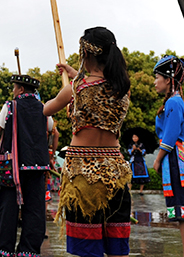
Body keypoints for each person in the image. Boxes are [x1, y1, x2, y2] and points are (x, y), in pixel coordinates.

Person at [43, 27, 132, 257]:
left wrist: (73, 82)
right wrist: (76, 74)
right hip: (116, 175)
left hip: (84, 177)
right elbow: (98, 89)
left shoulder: (75, 89)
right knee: (116, 250)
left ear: (86, 52)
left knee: (87, 251)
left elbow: (47, 109)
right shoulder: (123, 88)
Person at [0, 71, 52, 257]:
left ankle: (5, 249)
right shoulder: (44, 108)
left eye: (14, 87)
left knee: (8, 208)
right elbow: (51, 129)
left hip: (14, 167)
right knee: (34, 209)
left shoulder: (11, 106)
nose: (12, 91)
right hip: (37, 167)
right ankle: (29, 251)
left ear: (21, 89)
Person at [152, 54, 184, 257]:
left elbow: (169, 136)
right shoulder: (174, 101)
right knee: (181, 211)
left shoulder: (173, 102)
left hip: (174, 157)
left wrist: (158, 158)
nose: (154, 82)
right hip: (175, 157)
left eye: (157, 77)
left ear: (168, 79)